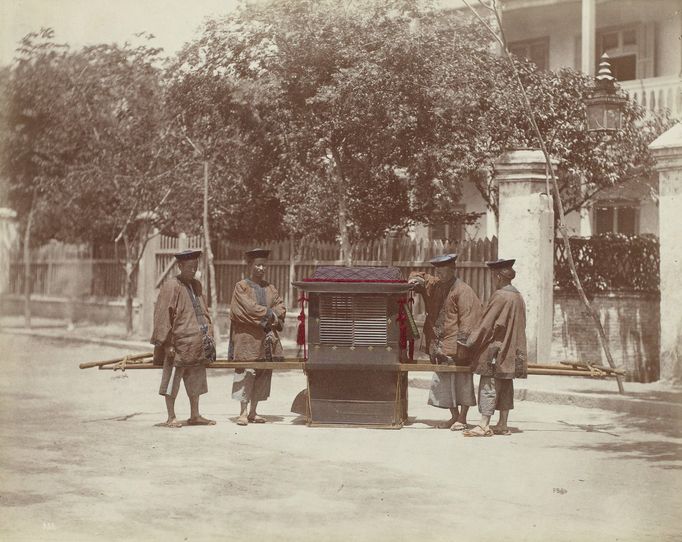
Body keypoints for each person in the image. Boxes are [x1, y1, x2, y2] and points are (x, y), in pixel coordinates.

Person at [408, 254, 483, 430]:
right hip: (438, 344)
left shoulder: (463, 290)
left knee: (462, 381)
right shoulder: (435, 286)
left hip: (456, 345)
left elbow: (469, 320)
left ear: (453, 270)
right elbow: (419, 276)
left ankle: (462, 418)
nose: (440, 274)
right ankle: (454, 416)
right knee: (444, 381)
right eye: (438, 271)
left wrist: (464, 347)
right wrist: (415, 280)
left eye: (444, 271)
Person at [460, 258, 527, 437]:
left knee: (488, 384)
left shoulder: (500, 296)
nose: (492, 279)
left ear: (498, 277)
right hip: (511, 349)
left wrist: (470, 342)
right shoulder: (518, 296)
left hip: (496, 349)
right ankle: (503, 424)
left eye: (492, 276)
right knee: (506, 384)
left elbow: (486, 325)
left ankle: (483, 425)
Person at [151, 249, 216, 428]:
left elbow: (204, 311)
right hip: (178, 344)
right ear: (180, 266)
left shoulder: (197, 285)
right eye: (189, 267)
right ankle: (171, 417)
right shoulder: (172, 285)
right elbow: (163, 315)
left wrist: (208, 334)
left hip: (197, 344)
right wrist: (167, 343)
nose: (193, 270)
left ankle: (195, 415)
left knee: (196, 380)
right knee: (172, 379)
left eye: (195, 267)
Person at [229, 248, 286, 426]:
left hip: (267, 339)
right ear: (250, 265)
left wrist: (274, 314)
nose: (261, 268)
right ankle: (243, 412)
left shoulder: (270, 288)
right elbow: (246, 309)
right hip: (247, 338)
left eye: (264, 265)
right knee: (247, 372)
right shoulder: (241, 287)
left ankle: (254, 411)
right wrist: (270, 315)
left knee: (263, 372)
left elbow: (281, 307)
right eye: (258, 265)